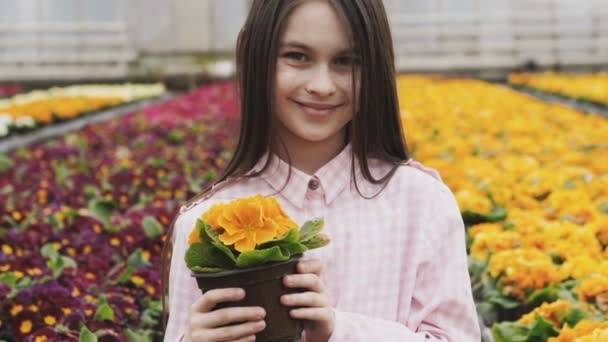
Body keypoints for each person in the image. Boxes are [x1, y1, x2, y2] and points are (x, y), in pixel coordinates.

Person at [161, 0, 481, 341]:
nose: (322, 85)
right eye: (297, 56)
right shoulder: (206, 224)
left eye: (346, 61)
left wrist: (339, 331)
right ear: (256, 58)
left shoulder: (423, 204)